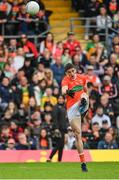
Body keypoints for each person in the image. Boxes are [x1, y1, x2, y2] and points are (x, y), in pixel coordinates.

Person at [61, 63, 89, 172]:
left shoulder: (83, 78)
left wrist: (86, 100)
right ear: (66, 73)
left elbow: (86, 90)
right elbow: (63, 90)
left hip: (81, 104)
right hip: (71, 109)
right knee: (78, 134)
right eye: (69, 72)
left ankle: (83, 106)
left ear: (75, 70)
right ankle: (83, 163)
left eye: (73, 71)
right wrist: (68, 92)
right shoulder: (65, 80)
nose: (72, 74)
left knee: (84, 96)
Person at [47, 95, 68, 162]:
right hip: (58, 129)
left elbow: (65, 120)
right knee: (59, 144)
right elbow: (55, 118)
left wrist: (66, 131)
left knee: (61, 145)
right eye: (59, 98)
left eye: (62, 98)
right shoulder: (56, 107)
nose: (60, 100)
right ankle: (50, 158)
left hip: (63, 129)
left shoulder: (64, 107)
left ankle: (59, 160)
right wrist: (56, 128)